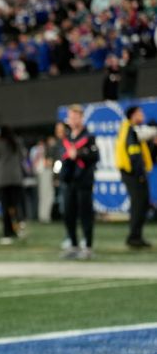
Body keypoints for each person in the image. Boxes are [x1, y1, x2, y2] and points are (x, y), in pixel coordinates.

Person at [59, 104, 99, 259]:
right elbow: (62, 157)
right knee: (69, 214)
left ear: (81, 118)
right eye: (71, 117)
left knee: (85, 214)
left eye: (76, 117)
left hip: (84, 182)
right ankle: (73, 245)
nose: (73, 120)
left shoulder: (89, 136)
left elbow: (95, 157)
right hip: (69, 182)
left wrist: (79, 155)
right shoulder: (66, 138)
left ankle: (88, 246)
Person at [115, 106, 157, 248]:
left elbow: (144, 153)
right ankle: (134, 237)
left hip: (133, 172)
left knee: (141, 204)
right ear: (133, 116)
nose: (142, 115)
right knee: (139, 204)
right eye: (140, 113)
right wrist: (139, 174)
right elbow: (134, 156)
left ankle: (136, 235)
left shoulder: (131, 129)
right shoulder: (130, 130)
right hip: (133, 173)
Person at [0, 125, 26, 245]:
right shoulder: (17, 142)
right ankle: (18, 228)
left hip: (3, 179)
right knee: (16, 205)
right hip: (16, 177)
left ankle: (7, 234)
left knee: (5, 207)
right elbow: (23, 157)